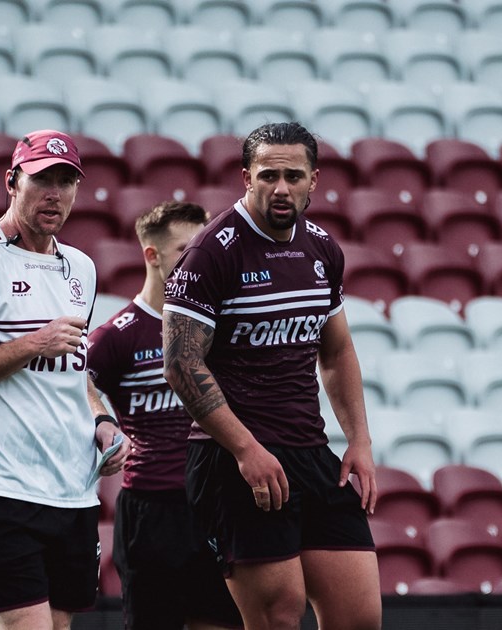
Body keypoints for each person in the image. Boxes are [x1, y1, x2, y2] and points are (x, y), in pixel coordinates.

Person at [161, 122, 381, 630]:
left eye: (293, 176)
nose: (281, 187)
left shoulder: (323, 248)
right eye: (268, 175)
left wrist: (360, 441)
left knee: (359, 618)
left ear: (314, 181)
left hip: (308, 452)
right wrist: (245, 450)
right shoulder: (211, 252)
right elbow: (180, 364)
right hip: (234, 459)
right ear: (246, 178)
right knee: (279, 618)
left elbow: (338, 351)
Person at [0, 129, 130, 630]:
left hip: (71, 489)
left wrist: (102, 420)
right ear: (12, 181)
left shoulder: (81, 268)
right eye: (42, 180)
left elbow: (76, 372)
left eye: (66, 181)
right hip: (0, 487)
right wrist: (31, 344)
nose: (54, 194)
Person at [87, 201, 244, 630]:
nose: (197, 260)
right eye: (184, 250)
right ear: (152, 256)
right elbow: (75, 380)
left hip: (214, 502)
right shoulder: (119, 334)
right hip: (151, 513)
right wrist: (102, 418)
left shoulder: (218, 324)